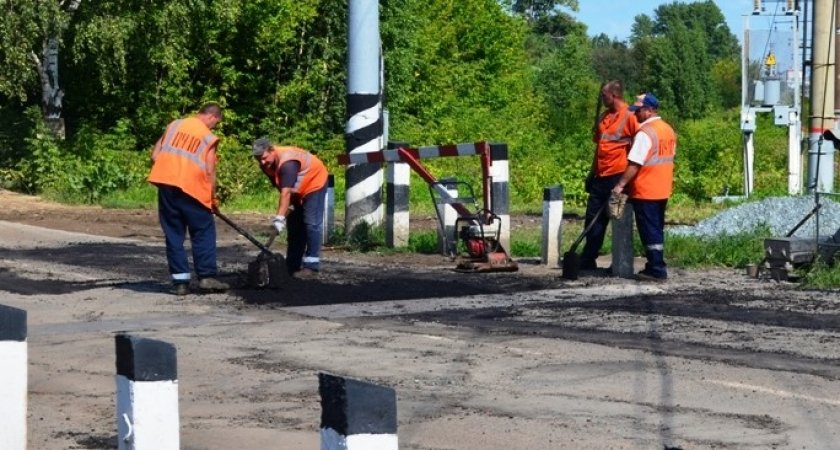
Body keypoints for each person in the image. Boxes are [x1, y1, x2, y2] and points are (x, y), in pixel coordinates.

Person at [148, 102, 229, 295]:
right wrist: (212, 200)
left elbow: (154, 155)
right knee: (203, 231)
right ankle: (206, 277)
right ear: (213, 117)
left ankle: (181, 282)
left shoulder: (174, 125)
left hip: (166, 184)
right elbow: (209, 171)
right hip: (192, 189)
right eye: (215, 123)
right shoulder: (208, 137)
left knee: (174, 234)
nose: (213, 127)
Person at [611, 93, 676, 281]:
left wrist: (620, 185)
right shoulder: (668, 130)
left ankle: (656, 269)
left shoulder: (645, 133)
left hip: (645, 190)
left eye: (638, 111)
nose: (635, 115)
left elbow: (635, 163)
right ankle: (655, 265)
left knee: (649, 231)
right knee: (656, 229)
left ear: (648, 110)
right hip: (662, 189)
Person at [580, 80, 639, 270]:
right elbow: (599, 146)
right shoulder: (604, 117)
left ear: (614, 95)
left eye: (604, 95)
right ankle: (588, 259)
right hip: (600, 175)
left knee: (618, 217)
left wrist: (628, 179)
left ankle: (621, 262)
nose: (602, 98)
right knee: (593, 219)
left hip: (618, 176)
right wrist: (592, 173)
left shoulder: (630, 116)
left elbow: (639, 147)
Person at [251, 138, 329, 278]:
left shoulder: (288, 163)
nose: (262, 162)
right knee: (294, 226)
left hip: (314, 183)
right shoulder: (265, 164)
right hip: (295, 188)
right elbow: (281, 188)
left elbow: (285, 192)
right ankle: (292, 265)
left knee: (311, 223)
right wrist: (290, 204)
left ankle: (311, 267)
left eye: (263, 158)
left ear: (272, 150)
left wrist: (279, 218)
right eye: (258, 159)